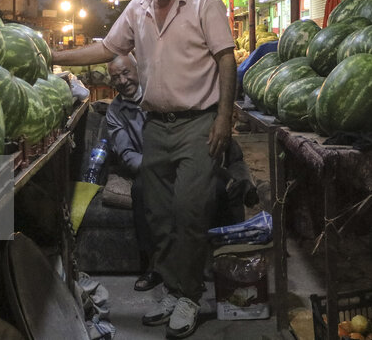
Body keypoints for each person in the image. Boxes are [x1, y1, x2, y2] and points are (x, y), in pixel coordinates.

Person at [53, 0, 236, 339]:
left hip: (199, 123)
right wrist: (52, 55)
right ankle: (172, 288)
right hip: (156, 125)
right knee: (158, 213)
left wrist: (224, 118)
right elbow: (107, 48)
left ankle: (189, 295)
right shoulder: (138, 8)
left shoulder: (204, 1)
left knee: (190, 210)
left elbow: (227, 59)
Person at [104, 53, 257, 295]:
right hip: (149, 167)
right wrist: (158, 166)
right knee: (141, 190)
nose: (122, 81)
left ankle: (223, 259)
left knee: (218, 189)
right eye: (115, 77)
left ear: (138, 69)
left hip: (187, 158)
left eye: (126, 73)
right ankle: (155, 266)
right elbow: (127, 154)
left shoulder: (160, 94)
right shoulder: (115, 111)